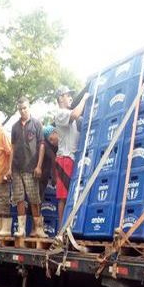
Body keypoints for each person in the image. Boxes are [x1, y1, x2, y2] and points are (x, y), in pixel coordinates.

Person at [52, 86, 90, 223]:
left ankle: (68, 225)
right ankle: (61, 230)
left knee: (71, 194)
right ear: (60, 98)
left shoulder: (68, 114)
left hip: (73, 158)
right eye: (68, 95)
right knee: (63, 196)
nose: (70, 98)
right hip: (65, 158)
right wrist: (84, 99)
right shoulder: (60, 113)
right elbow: (74, 114)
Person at [10, 97, 47, 238]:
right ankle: (21, 229)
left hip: (31, 168)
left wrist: (39, 166)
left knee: (34, 199)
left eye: (24, 108)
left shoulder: (37, 124)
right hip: (16, 168)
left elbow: (42, 145)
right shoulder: (14, 127)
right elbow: (12, 149)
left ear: (29, 107)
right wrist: (9, 168)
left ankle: (38, 229)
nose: (22, 111)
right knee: (19, 199)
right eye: (20, 109)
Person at [39, 125, 60, 205]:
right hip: (42, 177)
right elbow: (53, 162)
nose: (52, 142)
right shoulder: (46, 146)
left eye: (51, 139)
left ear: (55, 132)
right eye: (49, 140)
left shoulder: (58, 146)